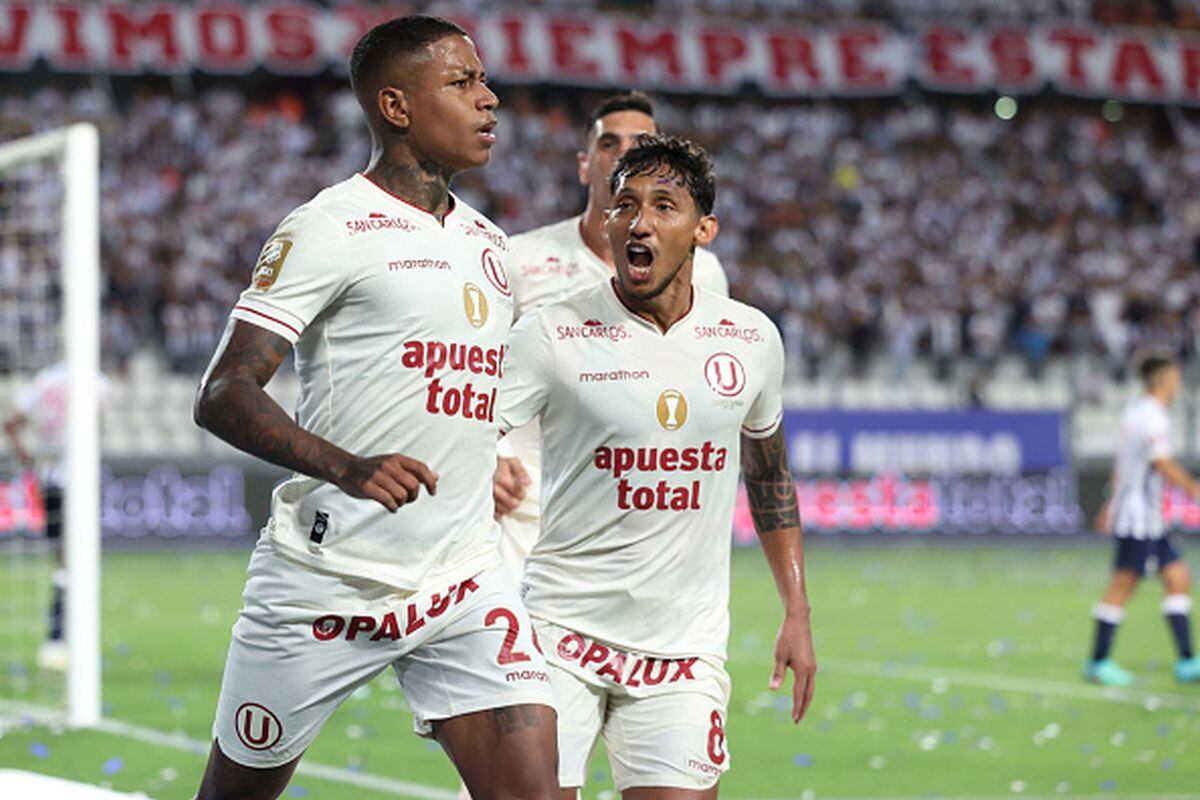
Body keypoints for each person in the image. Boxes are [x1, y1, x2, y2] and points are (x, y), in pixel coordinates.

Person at [191, 16, 557, 800]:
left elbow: (452, 387)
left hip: (462, 580)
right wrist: (345, 467)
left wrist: (480, 461)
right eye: (462, 83)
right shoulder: (330, 227)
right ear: (395, 106)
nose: (489, 99)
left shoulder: (492, 245)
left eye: (484, 80)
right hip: (327, 580)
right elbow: (224, 392)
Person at [498, 135, 816, 797]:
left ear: (704, 228)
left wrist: (797, 611)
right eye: (625, 206)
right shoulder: (552, 334)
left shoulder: (750, 339)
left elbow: (768, 474)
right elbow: (458, 436)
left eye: (663, 206)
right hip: (559, 635)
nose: (638, 223)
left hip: (684, 653)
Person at [494, 91, 729, 571]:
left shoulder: (703, 273)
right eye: (608, 144)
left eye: (639, 144)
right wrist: (489, 455)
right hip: (525, 512)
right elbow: (475, 367)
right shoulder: (518, 260)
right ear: (584, 165)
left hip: (639, 513)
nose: (623, 153)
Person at [1086, 353, 1200, 686]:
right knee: (1123, 586)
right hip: (1138, 518)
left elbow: (1122, 465)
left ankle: (1187, 660)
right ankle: (1097, 661)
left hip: (1150, 518)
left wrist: (1109, 502)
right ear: (1164, 379)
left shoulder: (1135, 413)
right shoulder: (1152, 417)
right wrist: (1194, 488)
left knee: (1177, 578)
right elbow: (1161, 463)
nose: (1179, 384)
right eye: (1176, 378)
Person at [3, 360, 109, 671]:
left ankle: (62, 638)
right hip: (77, 476)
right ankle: (58, 638)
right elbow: (98, 426)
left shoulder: (42, 380)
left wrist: (25, 458)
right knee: (71, 558)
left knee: (64, 557)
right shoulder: (97, 381)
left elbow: (11, 423)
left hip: (47, 476)